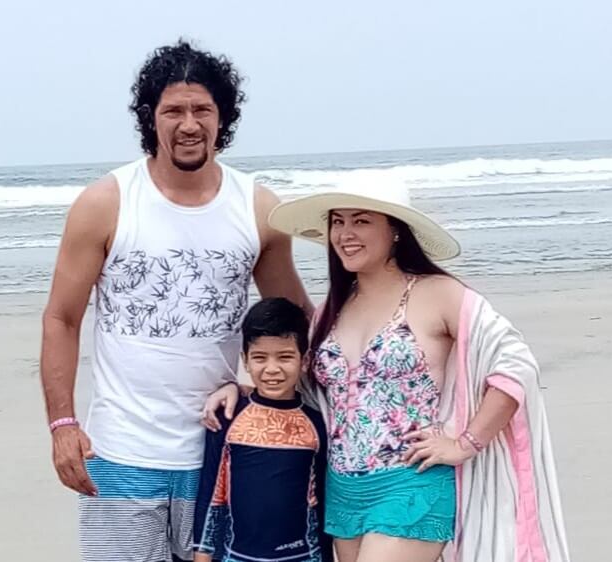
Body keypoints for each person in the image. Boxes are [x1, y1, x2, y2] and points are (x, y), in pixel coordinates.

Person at [205, 171, 570, 562]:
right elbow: (306, 386)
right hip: (343, 490)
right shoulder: (331, 311)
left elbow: (515, 366)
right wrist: (241, 390)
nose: (346, 233)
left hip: (411, 482)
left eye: (361, 221)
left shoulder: (438, 294)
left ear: (395, 230)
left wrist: (466, 443)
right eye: (338, 222)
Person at [39, 40, 309, 562]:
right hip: (120, 449)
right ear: (151, 118)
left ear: (222, 116)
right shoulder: (105, 203)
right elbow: (61, 318)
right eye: (173, 111)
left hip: (220, 448)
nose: (189, 124)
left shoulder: (257, 208)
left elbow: (293, 319)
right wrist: (62, 425)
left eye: (202, 109)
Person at [193, 298, 333, 562]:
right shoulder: (228, 417)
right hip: (236, 555)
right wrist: (202, 554)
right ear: (245, 361)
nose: (272, 369)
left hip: (303, 555)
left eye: (285, 357)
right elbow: (211, 493)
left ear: (304, 360)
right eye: (259, 358)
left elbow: (324, 502)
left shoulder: (317, 424)